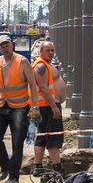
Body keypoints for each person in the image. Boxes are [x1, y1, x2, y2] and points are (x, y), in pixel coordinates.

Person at [0, 35, 40, 183]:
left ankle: (14, 176)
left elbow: (32, 84)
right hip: (2, 105)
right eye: (2, 46)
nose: (5, 48)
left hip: (19, 107)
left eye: (7, 45)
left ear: (12, 45)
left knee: (17, 142)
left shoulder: (22, 61)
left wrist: (35, 107)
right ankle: (5, 167)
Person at [32, 39, 65, 175]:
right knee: (53, 138)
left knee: (43, 136)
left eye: (52, 50)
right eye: (48, 50)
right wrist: (54, 107)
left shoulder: (45, 64)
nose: (51, 53)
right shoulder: (41, 67)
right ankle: (57, 168)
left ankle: (38, 168)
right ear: (41, 52)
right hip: (48, 106)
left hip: (45, 106)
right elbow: (44, 89)